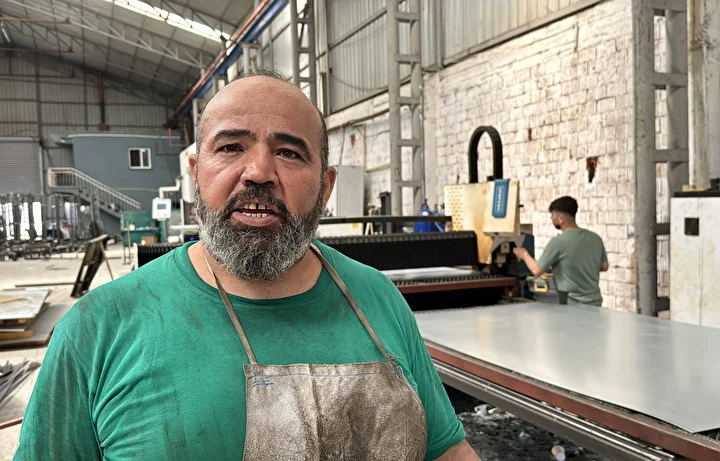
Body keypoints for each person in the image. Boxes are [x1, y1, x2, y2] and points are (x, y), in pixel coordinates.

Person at [15, 69, 481, 461]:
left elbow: (447, 451)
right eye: (231, 147)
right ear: (196, 173)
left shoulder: (377, 298)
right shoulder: (98, 329)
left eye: (289, 152)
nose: (258, 172)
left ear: (325, 187)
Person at [513, 196, 608, 306]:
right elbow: (604, 266)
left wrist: (524, 254)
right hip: (595, 303)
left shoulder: (558, 242)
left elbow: (536, 270)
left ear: (561, 218)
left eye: (552, 214)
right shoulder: (595, 238)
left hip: (573, 305)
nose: (551, 218)